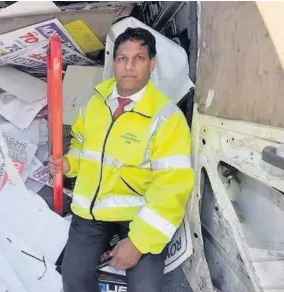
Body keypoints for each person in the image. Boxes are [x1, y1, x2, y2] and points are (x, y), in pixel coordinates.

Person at [50, 27, 195, 292]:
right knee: (72, 280)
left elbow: (172, 188)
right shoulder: (95, 102)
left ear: (152, 64)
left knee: (145, 289)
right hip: (91, 212)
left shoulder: (167, 119)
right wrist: (70, 164)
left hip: (138, 215)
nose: (129, 67)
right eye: (121, 58)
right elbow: (82, 144)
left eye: (138, 58)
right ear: (114, 63)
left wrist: (138, 242)